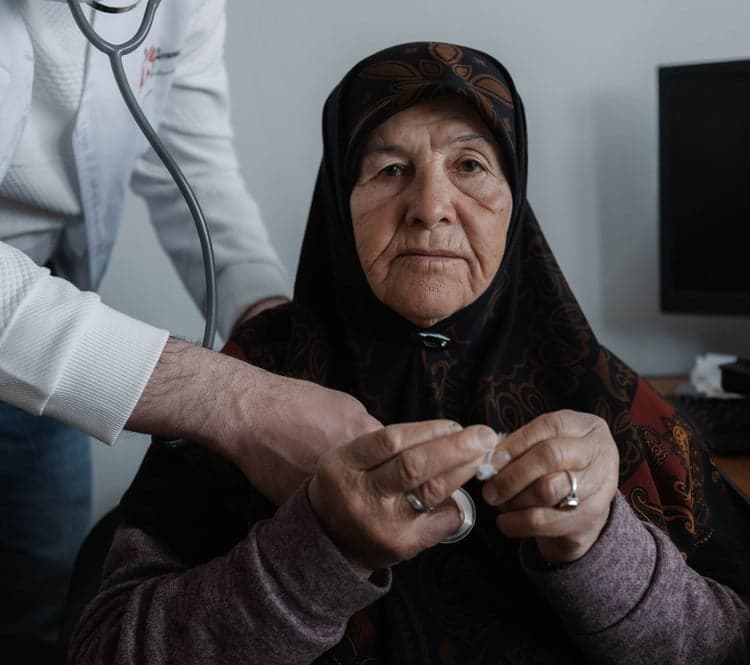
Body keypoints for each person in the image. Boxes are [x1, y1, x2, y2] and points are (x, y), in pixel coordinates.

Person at [69, 42, 750, 664]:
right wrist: (319, 547)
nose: (430, 205)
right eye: (390, 168)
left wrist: (597, 544)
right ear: (341, 200)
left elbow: (727, 641)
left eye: (471, 165)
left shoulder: (603, 396)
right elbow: (107, 649)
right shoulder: (250, 386)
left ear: (516, 205)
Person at [0, 0, 379, 659]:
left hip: (53, 313)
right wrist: (231, 400)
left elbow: (185, 134)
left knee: (31, 623)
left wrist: (275, 323)